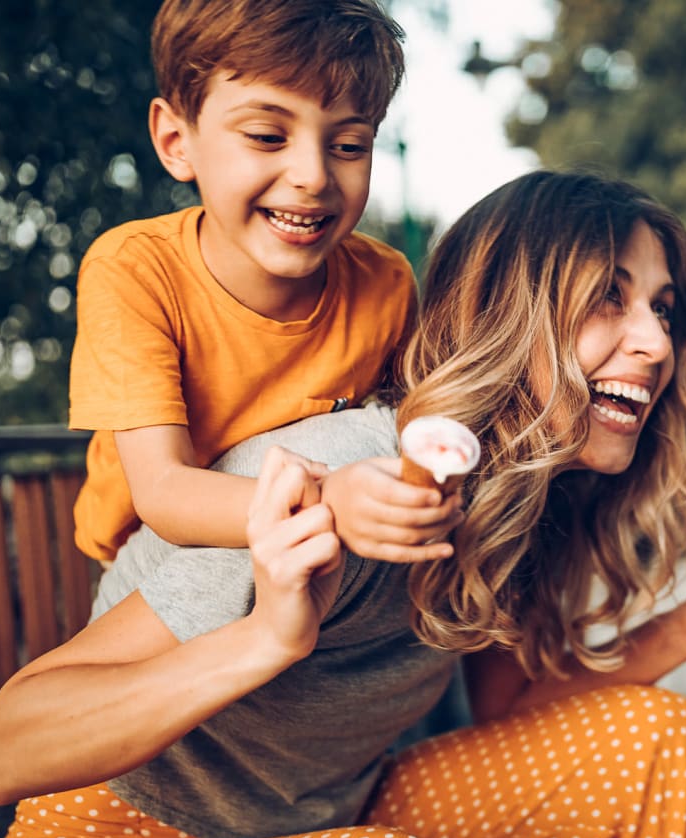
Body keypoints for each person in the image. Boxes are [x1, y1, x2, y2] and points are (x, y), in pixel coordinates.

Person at [0, 170, 686, 838]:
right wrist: (265, 636)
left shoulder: (518, 497)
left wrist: (675, 637)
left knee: (653, 743)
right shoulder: (341, 473)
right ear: (506, 313)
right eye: (609, 297)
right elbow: (10, 750)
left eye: (663, 309)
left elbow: (500, 711)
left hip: (323, 830)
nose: (657, 343)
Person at [68, 0, 459, 565]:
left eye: (349, 146)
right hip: (151, 560)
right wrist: (330, 502)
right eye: (266, 136)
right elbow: (163, 492)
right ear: (177, 141)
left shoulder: (386, 283)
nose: (314, 176)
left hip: (296, 549)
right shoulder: (133, 269)